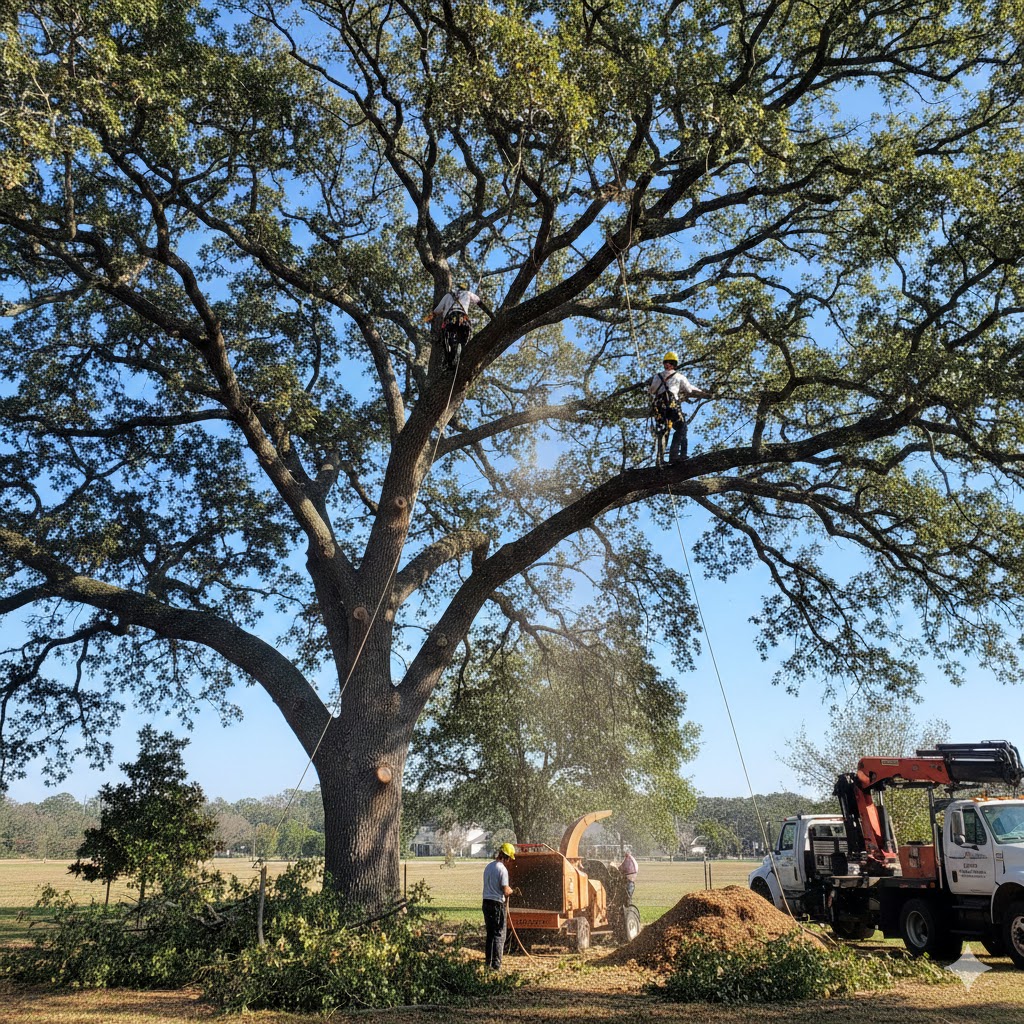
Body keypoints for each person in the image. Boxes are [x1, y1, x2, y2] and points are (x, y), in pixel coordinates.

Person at [647, 351, 711, 463]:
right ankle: (676, 456)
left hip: (659, 407)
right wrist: (702, 393)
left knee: (664, 432)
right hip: (672, 405)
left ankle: (660, 460)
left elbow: (652, 391)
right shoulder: (679, 376)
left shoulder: (657, 376)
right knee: (682, 428)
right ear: (674, 364)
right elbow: (689, 389)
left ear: (665, 363)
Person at [425, 282, 481, 368]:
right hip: (463, 320)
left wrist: (427, 319)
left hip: (450, 321)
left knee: (445, 340)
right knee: (466, 339)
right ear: (464, 288)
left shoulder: (448, 296)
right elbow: (478, 301)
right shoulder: (468, 293)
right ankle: (463, 355)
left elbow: (437, 310)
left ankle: (448, 361)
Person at [482, 842, 515, 970]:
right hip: (497, 904)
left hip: (486, 903)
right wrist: (512, 891)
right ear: (506, 857)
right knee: (499, 935)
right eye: (509, 858)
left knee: (490, 934)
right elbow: (505, 890)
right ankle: (496, 966)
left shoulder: (488, 866)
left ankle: (488, 964)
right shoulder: (502, 869)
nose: (509, 861)